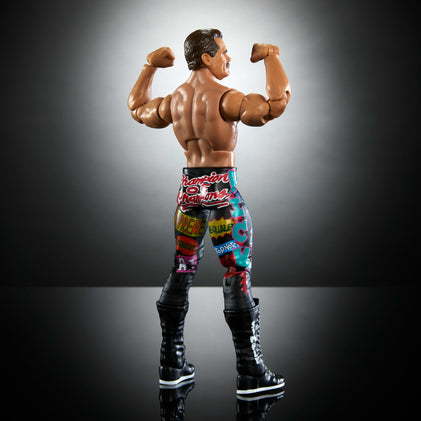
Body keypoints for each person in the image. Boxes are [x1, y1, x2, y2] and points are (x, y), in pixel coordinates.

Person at [128, 29, 291, 396]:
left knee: (182, 268)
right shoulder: (226, 98)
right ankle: (250, 373)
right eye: (223, 52)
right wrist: (271, 55)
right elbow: (273, 105)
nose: (228, 58)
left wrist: (149, 66)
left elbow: (137, 108)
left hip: (188, 196)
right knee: (236, 272)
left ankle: (171, 365)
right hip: (222, 197)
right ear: (206, 57)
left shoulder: (175, 101)